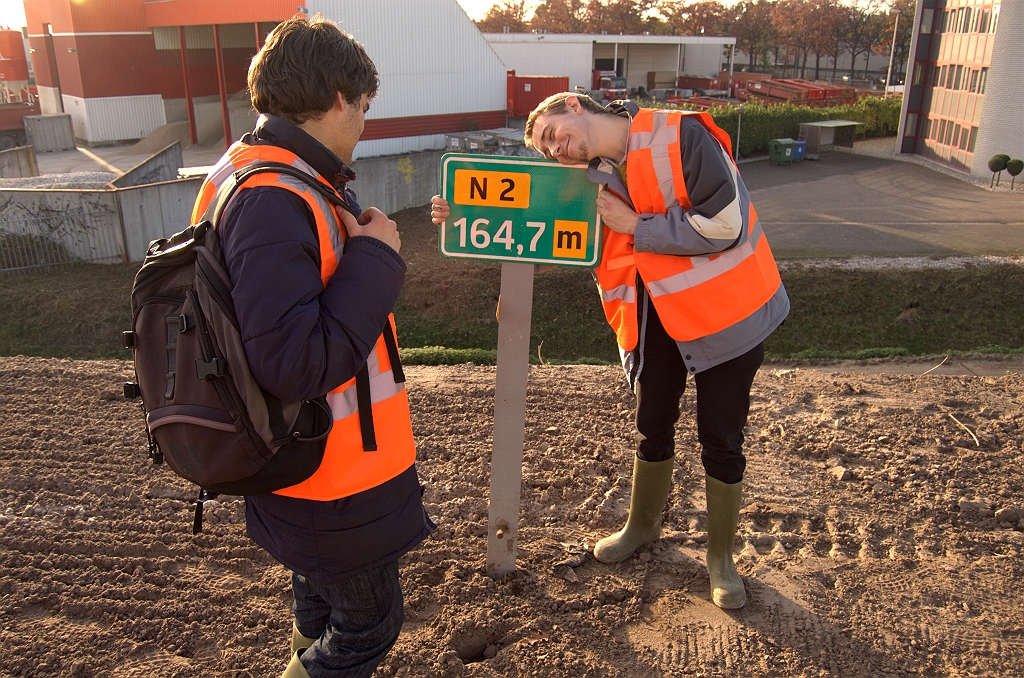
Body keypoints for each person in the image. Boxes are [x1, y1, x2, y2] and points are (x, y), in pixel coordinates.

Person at [430, 93, 788, 609]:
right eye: (546, 151)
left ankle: (721, 560)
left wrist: (635, 226)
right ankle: (642, 527)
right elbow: (544, 224)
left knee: (721, 436)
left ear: (575, 105)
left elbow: (726, 225)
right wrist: (459, 212)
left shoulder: (683, 134)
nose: (554, 151)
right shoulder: (587, 173)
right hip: (652, 317)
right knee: (652, 423)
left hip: (726, 314)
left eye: (552, 134)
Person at [192, 16, 432, 677]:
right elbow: (294, 363)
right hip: (327, 474)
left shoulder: (252, 170)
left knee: (319, 604)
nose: (363, 124)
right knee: (365, 628)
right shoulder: (274, 198)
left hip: (302, 463)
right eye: (361, 108)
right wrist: (378, 258)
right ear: (335, 98)